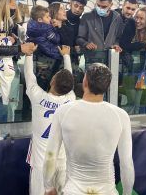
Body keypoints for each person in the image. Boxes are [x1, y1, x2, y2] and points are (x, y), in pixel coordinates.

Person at [43, 63, 134, 195]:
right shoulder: (121, 116)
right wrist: (127, 193)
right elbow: (127, 165)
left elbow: (50, 156)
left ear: (85, 82)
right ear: (107, 87)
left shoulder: (64, 112)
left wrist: (48, 186)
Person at [25, 45, 75, 195]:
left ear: (52, 81)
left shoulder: (38, 97)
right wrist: (66, 56)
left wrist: (28, 54)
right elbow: (69, 80)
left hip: (42, 165)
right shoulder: (70, 99)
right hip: (62, 162)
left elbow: (29, 76)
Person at [120, 6, 146, 114]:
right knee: (130, 91)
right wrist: (144, 45)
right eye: (137, 17)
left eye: (141, 19)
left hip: (143, 65)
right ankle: (131, 113)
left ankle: (136, 113)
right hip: (129, 64)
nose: (138, 21)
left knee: (140, 89)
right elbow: (125, 45)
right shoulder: (131, 25)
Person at [76, 0, 123, 68]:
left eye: (104, 7)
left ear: (111, 5)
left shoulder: (117, 18)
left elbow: (117, 38)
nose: (100, 8)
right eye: (98, 5)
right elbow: (79, 38)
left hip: (110, 59)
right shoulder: (86, 17)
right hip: (92, 60)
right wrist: (86, 44)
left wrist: (116, 45)